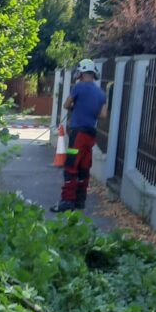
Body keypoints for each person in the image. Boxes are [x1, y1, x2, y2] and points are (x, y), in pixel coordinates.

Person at [50, 59, 107, 213]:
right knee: (84, 167)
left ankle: (67, 200)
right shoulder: (101, 93)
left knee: (71, 165)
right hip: (90, 136)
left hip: (78, 135)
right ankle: (80, 201)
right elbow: (103, 115)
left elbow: (67, 105)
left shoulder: (78, 88)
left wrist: (77, 107)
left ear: (81, 73)